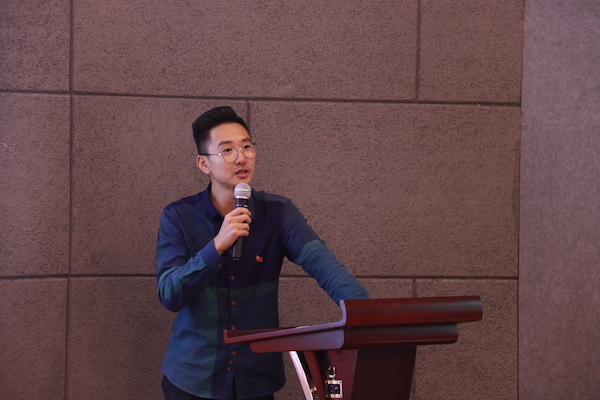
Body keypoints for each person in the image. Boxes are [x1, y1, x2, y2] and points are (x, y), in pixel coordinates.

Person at [156, 106, 369, 400]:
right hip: (193, 378)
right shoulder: (178, 217)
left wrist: (366, 315)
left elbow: (322, 263)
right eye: (227, 150)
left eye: (246, 146)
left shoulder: (278, 213)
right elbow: (170, 294)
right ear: (204, 163)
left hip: (254, 380)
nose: (241, 157)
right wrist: (217, 246)